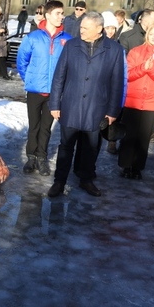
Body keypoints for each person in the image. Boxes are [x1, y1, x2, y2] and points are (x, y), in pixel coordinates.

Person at [47, 12, 126, 197]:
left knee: (91, 147)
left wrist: (113, 111)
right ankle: (59, 181)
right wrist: (54, 104)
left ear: (99, 29)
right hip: (71, 105)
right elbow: (59, 76)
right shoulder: (71, 46)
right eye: (81, 27)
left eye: (85, 28)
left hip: (97, 107)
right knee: (66, 146)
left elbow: (117, 82)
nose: (80, 30)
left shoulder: (114, 50)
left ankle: (86, 179)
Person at [16, 0, 72, 176]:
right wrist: (30, 78)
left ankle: (42, 158)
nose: (61, 16)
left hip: (54, 93)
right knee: (34, 126)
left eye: (62, 13)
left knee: (46, 127)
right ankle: (31, 157)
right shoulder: (33, 37)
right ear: (48, 15)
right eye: (58, 13)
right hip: (34, 91)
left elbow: (70, 65)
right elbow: (21, 61)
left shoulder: (67, 39)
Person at [118, 21, 154, 180]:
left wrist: (152, 69)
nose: (153, 37)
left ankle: (137, 167)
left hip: (153, 102)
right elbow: (128, 74)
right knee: (129, 135)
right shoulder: (136, 52)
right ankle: (125, 165)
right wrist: (142, 68)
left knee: (144, 137)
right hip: (133, 99)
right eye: (151, 33)